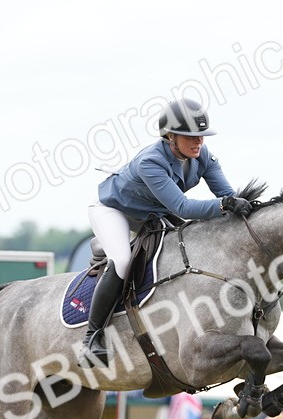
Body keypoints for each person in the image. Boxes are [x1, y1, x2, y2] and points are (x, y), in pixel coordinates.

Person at [80, 98, 253, 367]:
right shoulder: (150, 162)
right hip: (114, 210)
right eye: (190, 137)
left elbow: (227, 196)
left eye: (201, 137)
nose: (198, 142)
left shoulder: (203, 157)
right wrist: (224, 205)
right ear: (170, 136)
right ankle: (92, 338)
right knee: (123, 261)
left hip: (151, 212)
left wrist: (247, 208)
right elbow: (183, 206)